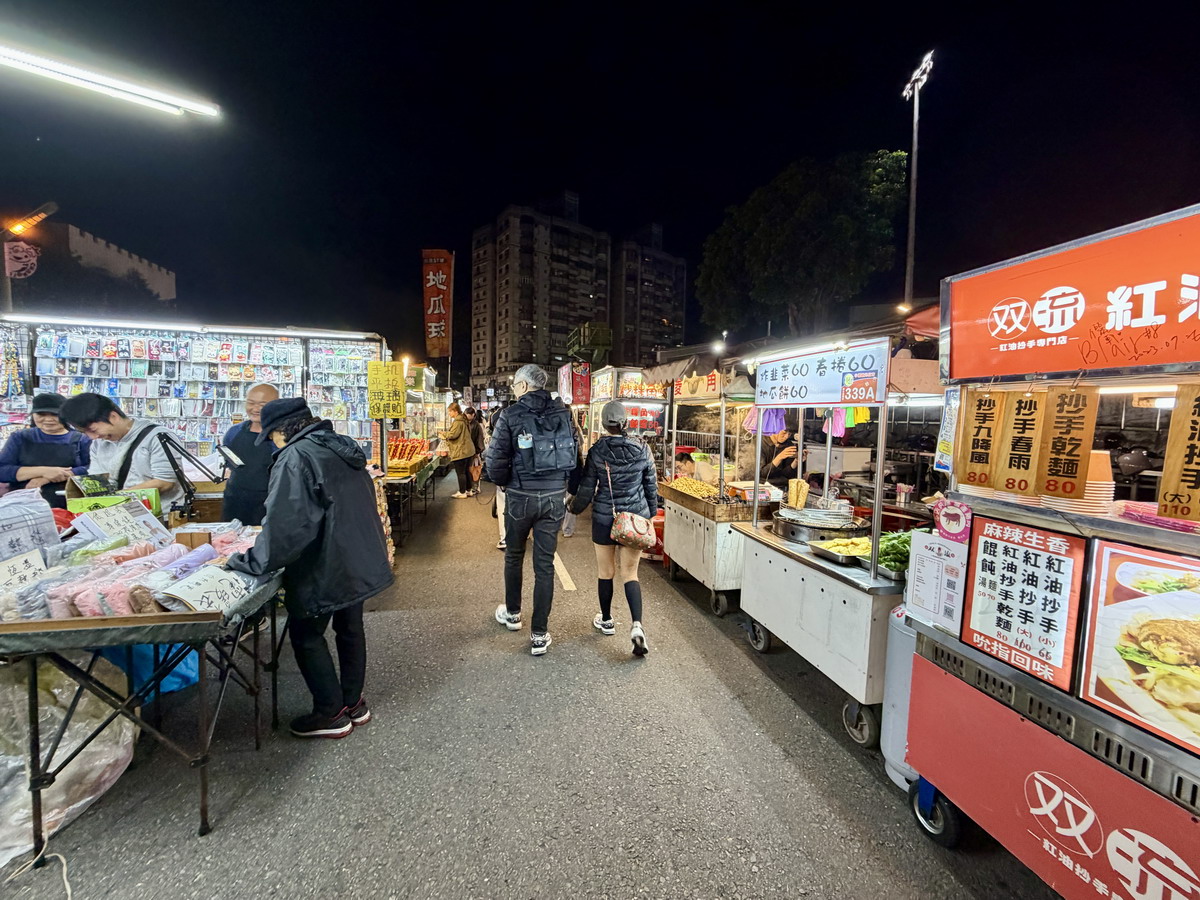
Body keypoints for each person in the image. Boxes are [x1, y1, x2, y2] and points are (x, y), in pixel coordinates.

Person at [228, 398, 393, 739]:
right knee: (350, 628)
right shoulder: (340, 447)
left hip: (324, 562)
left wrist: (253, 562)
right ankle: (354, 703)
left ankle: (330, 713)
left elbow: (288, 525)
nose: (272, 442)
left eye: (271, 436)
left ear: (283, 430)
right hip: (357, 556)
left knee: (306, 635)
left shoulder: (296, 457)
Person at [485, 364, 581, 656]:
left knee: (514, 556)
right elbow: (577, 452)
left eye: (515, 384)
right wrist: (570, 490)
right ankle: (540, 633)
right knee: (544, 565)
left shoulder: (510, 415)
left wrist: (503, 484)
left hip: (519, 496)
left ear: (524, 386)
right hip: (553, 498)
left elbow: (495, 458)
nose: (514, 389)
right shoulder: (564, 413)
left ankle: (513, 614)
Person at [571, 401, 657, 657]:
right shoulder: (643, 448)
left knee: (606, 571)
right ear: (626, 422)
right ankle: (637, 626)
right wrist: (650, 515)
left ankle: (607, 620)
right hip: (634, 518)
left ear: (604, 424)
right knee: (630, 573)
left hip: (605, 518)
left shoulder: (598, 450)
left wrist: (574, 508)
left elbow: (587, 486)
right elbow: (651, 485)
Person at [60, 393, 184, 508]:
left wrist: (115, 498)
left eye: (93, 430)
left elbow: (165, 482)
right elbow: (99, 481)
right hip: (120, 516)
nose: (93, 437)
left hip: (161, 516)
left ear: (113, 417)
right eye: (84, 432)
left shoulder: (157, 437)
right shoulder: (98, 444)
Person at [0, 393, 91, 508]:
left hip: (68, 504)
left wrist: (47, 478)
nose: (48, 419)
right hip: (24, 504)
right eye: (41, 414)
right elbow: (3, 471)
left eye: (55, 414)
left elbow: (91, 469)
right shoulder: (20, 437)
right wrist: (44, 471)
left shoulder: (82, 439)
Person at [220, 382, 280, 525]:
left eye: (262, 404)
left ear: (276, 405)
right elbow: (230, 463)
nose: (255, 409)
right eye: (251, 403)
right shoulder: (234, 433)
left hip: (270, 503)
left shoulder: (282, 436)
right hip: (235, 500)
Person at [440, 402, 476, 499]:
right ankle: (469, 490)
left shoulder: (458, 421)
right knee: (466, 471)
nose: (449, 414)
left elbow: (453, 435)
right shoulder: (463, 420)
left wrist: (444, 433)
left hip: (461, 450)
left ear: (455, 411)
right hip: (468, 450)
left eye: (450, 412)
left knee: (461, 473)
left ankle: (462, 492)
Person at [760, 427, 801, 491]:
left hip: (782, 486)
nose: (786, 437)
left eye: (789, 434)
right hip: (762, 486)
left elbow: (785, 474)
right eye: (784, 433)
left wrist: (795, 462)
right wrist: (779, 457)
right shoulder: (760, 444)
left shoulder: (788, 444)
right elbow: (762, 474)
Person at [463, 406, 486, 495]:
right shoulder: (464, 423)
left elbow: (480, 438)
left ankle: (476, 487)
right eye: (466, 415)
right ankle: (468, 488)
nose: (467, 418)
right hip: (465, 451)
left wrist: (478, 451)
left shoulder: (476, 425)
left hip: (474, 451)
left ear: (473, 415)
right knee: (467, 470)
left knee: (475, 469)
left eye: (469, 416)